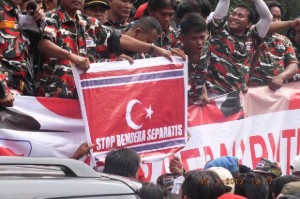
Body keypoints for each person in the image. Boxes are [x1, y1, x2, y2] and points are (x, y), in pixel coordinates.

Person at [206, 0, 273, 95]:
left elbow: (267, 18)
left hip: (238, 97)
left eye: (241, 16)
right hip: (214, 95)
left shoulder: (253, 38)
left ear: (249, 24)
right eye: (233, 14)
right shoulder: (219, 31)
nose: (234, 17)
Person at [0, 0, 45, 107]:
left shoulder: (17, 13)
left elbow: (33, 49)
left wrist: (39, 21)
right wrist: (2, 89)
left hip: (20, 92)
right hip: (4, 93)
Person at [248, 1, 298, 90]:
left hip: (278, 94)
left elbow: (293, 65)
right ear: (261, 18)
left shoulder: (284, 40)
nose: (277, 21)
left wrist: (281, 77)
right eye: (273, 17)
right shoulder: (251, 33)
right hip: (252, 91)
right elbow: (265, 25)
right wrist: (291, 23)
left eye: (279, 18)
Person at [179, 13, 209, 106]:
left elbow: (200, 74)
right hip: (179, 108)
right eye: (194, 38)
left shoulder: (207, 51)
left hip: (197, 107)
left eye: (202, 37)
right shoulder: (176, 58)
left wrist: (204, 92)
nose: (200, 43)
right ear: (183, 38)